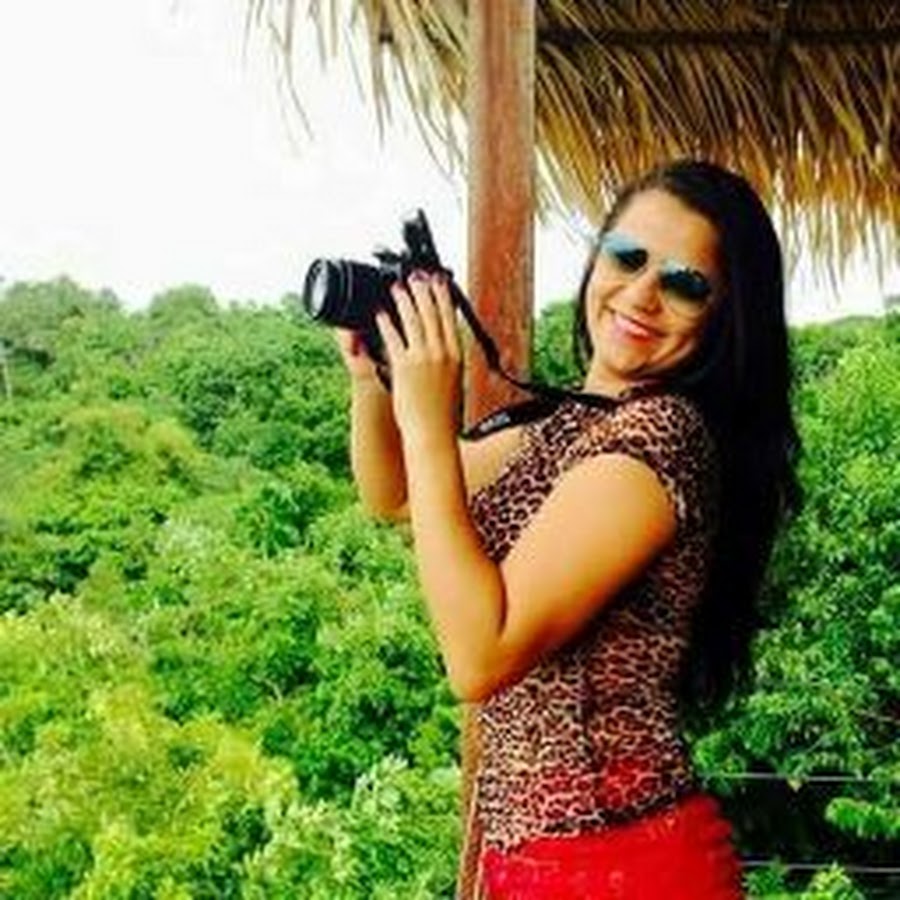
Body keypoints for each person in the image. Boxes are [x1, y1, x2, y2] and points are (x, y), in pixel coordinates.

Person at [336, 159, 800, 899]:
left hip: (622, 863)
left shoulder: (660, 439)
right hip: (543, 863)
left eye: (685, 284)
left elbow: (480, 656)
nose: (641, 294)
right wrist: (374, 378)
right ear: (596, 258)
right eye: (628, 257)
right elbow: (396, 495)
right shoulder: (569, 426)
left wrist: (427, 421)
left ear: (724, 316)